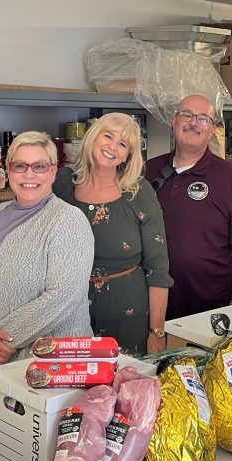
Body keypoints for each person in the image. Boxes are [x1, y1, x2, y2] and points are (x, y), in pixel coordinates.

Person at [0, 131, 94, 406]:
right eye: (20, 166)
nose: (30, 175)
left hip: (47, 364)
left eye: (39, 166)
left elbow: (63, 295)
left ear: (53, 171)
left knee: (35, 444)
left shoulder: (68, 219)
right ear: (8, 170)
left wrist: (0, 344)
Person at [53, 112, 173, 356]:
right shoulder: (62, 183)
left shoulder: (138, 193)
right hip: (65, 316)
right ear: (93, 137)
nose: (112, 147)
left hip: (126, 319)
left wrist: (157, 332)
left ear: (128, 155)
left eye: (123, 144)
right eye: (108, 136)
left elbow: (158, 269)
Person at [144, 95, 232, 319]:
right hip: (151, 304)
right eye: (186, 115)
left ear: (212, 130)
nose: (192, 123)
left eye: (202, 119)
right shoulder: (148, 171)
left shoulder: (229, 177)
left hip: (209, 308)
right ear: (173, 121)